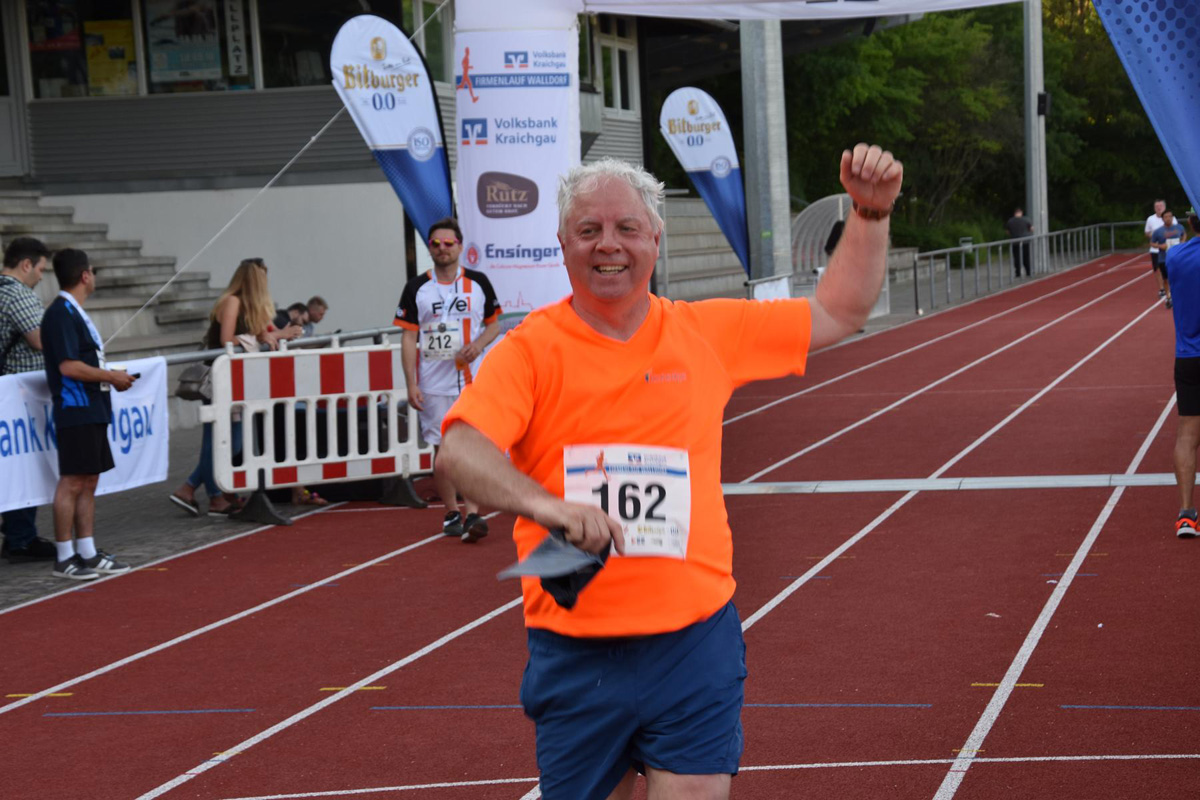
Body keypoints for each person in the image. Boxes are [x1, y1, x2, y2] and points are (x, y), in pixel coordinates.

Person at [436, 144, 902, 800]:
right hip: (576, 646)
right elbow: (459, 451)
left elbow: (838, 313)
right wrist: (549, 507)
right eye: (589, 230)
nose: (609, 246)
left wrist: (869, 214)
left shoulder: (704, 333)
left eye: (627, 228)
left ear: (656, 239)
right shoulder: (530, 350)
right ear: (563, 245)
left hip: (692, 637)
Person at [394, 217, 500, 543]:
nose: (442, 249)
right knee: (443, 450)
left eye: (448, 244)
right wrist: (411, 383)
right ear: (430, 248)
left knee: (470, 447)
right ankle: (452, 511)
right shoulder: (416, 288)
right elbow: (409, 339)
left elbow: (494, 324)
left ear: (460, 246)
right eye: (436, 245)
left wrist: (478, 346)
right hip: (434, 382)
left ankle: (474, 514)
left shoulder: (479, 282)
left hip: (472, 380)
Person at [170, 258, 303, 517]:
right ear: (255, 280)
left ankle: (193, 489)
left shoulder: (253, 308)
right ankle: (213, 496)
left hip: (236, 380)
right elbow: (226, 340)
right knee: (218, 439)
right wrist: (272, 336)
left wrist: (278, 334)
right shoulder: (233, 302)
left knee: (232, 439)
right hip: (219, 379)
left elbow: (269, 332)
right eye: (263, 278)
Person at [41, 248, 136, 580]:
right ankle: (64, 556)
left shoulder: (73, 312)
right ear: (85, 275)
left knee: (89, 480)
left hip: (93, 406)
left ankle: (87, 550)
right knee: (72, 481)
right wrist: (111, 376)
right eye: (92, 271)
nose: (94, 277)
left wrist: (110, 379)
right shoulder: (60, 314)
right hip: (75, 407)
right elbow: (68, 366)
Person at [0, 237, 56, 563]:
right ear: (25, 265)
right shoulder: (16, 293)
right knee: (22, 465)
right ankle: (21, 539)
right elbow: (40, 339)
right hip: (19, 395)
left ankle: (18, 534)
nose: (40, 277)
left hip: (13, 391)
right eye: (40, 269)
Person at [1166, 207, 1200, 538]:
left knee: (1188, 432)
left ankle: (1187, 514)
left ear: (1190, 222)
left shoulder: (1176, 257)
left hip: (1189, 355)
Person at [1152, 209, 1187, 309]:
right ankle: (1168, 296)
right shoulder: (1158, 231)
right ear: (1162, 219)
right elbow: (1152, 243)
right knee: (1166, 279)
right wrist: (1160, 246)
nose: (1168, 218)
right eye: (1166, 217)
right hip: (1164, 258)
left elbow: (1184, 234)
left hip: (1178, 258)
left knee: (1179, 277)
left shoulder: (1179, 227)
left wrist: (1182, 242)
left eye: (1170, 216)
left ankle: (1179, 295)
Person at [1146, 199, 1167, 300]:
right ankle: (1162, 289)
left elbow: (1176, 230)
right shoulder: (1150, 219)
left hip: (1168, 249)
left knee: (1168, 269)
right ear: (1154, 208)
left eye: (1160, 206)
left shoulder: (1170, 217)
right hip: (1155, 250)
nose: (1159, 208)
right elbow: (1147, 232)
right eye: (1157, 206)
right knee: (1157, 269)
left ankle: (1169, 287)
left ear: (1164, 207)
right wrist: (1154, 237)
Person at [1005, 207, 1034, 278]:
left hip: (1015, 241)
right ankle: (1028, 272)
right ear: (1021, 213)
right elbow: (1031, 229)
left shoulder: (1010, 221)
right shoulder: (1026, 219)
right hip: (1025, 241)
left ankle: (1018, 273)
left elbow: (1008, 232)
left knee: (1017, 257)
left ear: (1015, 213)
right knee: (1026, 257)